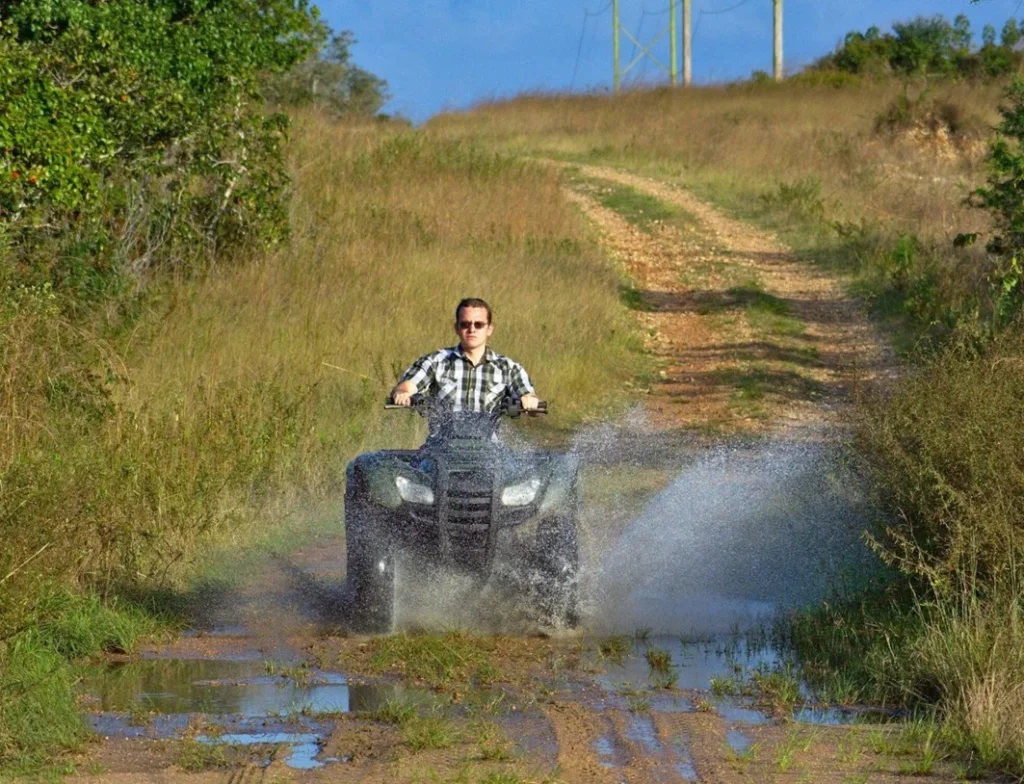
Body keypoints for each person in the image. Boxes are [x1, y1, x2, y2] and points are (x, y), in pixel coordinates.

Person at [391, 298, 540, 413]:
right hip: (441, 448)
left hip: (488, 449)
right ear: (456, 328)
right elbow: (407, 386)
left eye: (479, 324)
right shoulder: (436, 362)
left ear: (489, 329)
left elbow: (529, 398)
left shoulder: (508, 368)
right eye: (465, 324)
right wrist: (402, 393)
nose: (472, 329)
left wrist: (529, 401)